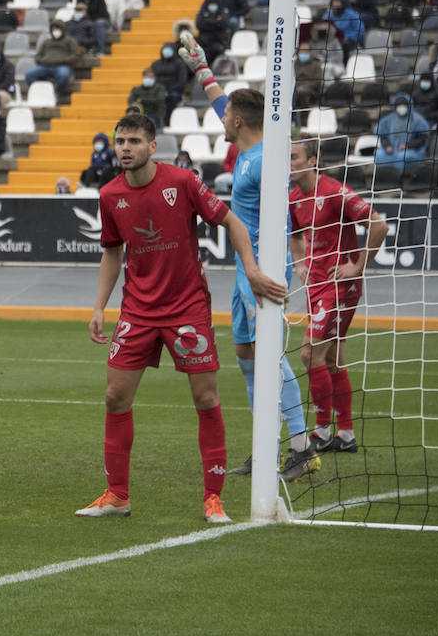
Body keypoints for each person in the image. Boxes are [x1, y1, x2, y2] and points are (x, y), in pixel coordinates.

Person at [79, 112, 287, 522]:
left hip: (187, 307)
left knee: (205, 398)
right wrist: (99, 306)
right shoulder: (109, 195)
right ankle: (118, 495)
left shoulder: (182, 182)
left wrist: (253, 271)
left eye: (134, 141)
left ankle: (214, 499)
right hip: (137, 309)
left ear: (153, 147)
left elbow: (232, 222)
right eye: (120, 141)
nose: (125, 148)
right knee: (115, 397)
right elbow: (112, 251)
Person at [180, 41, 321, 479]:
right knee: (245, 354)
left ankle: (302, 447)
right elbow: (223, 99)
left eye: (226, 117)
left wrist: (265, 270)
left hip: (261, 271)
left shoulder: (263, 162)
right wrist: (202, 67)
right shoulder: (246, 150)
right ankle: (266, 445)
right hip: (247, 269)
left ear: (238, 123)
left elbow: (282, 220)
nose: (220, 118)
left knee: (270, 355)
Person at [289, 137, 388, 455]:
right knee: (332, 359)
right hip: (316, 286)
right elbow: (295, 234)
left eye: (294, 157)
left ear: (312, 161)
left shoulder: (334, 192)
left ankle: (322, 432)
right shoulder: (293, 197)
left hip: (339, 287)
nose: (288, 163)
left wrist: (358, 266)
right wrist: (300, 262)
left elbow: (379, 225)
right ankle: (345, 436)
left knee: (309, 354)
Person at [373, 93, 430, 174]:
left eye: (403, 106)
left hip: (412, 150)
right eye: (399, 106)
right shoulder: (388, 119)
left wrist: (408, 145)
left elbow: (422, 138)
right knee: (379, 154)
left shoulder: (417, 120)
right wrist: (387, 146)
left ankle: (398, 177)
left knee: (402, 157)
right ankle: (383, 177)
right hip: (391, 150)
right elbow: (383, 136)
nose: (401, 108)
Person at [26, 21, 82, 95]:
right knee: (29, 75)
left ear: (62, 30)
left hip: (62, 66)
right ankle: (43, 93)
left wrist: (65, 60)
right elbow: (38, 55)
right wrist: (41, 60)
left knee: (64, 75)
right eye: (54, 29)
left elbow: (76, 54)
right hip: (45, 66)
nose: (56, 31)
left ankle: (56, 94)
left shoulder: (69, 41)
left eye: (58, 29)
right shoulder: (46, 42)